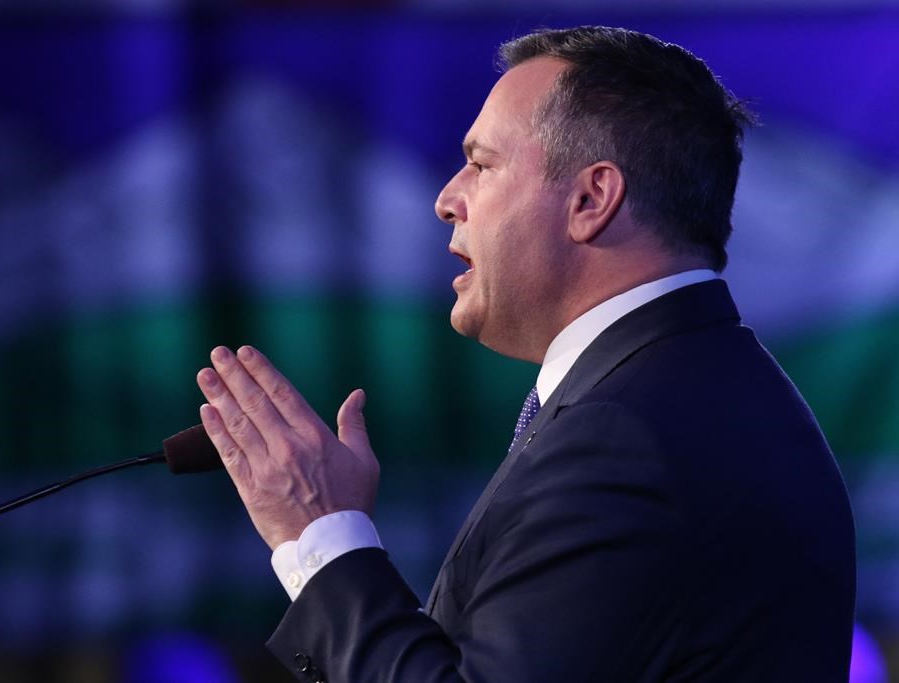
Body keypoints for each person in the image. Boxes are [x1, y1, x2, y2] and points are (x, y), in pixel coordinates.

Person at [195, 26, 856, 682]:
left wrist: (323, 535)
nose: (446, 198)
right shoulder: (692, 390)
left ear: (590, 199)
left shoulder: (629, 438)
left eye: (481, 165)